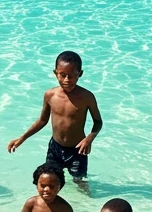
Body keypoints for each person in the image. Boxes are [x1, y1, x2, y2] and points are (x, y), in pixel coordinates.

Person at [6, 51, 103, 186]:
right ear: (55, 73)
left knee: (80, 183)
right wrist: (22, 138)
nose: (67, 80)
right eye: (63, 75)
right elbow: (42, 120)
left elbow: (98, 122)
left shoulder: (87, 97)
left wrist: (89, 139)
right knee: (50, 181)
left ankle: (82, 200)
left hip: (78, 150)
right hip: (55, 148)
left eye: (72, 75)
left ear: (80, 74)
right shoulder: (50, 95)